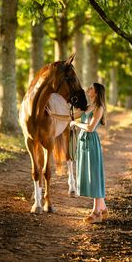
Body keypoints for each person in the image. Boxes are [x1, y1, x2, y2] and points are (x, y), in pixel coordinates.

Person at [47, 82, 108, 224]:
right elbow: (70, 117)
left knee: (94, 176)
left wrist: (76, 124)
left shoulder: (99, 108)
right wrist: (53, 115)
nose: (88, 90)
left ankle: (96, 213)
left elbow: (91, 127)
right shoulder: (88, 107)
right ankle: (103, 208)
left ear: (97, 92)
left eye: (91, 88)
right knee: (90, 175)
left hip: (91, 143)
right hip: (82, 143)